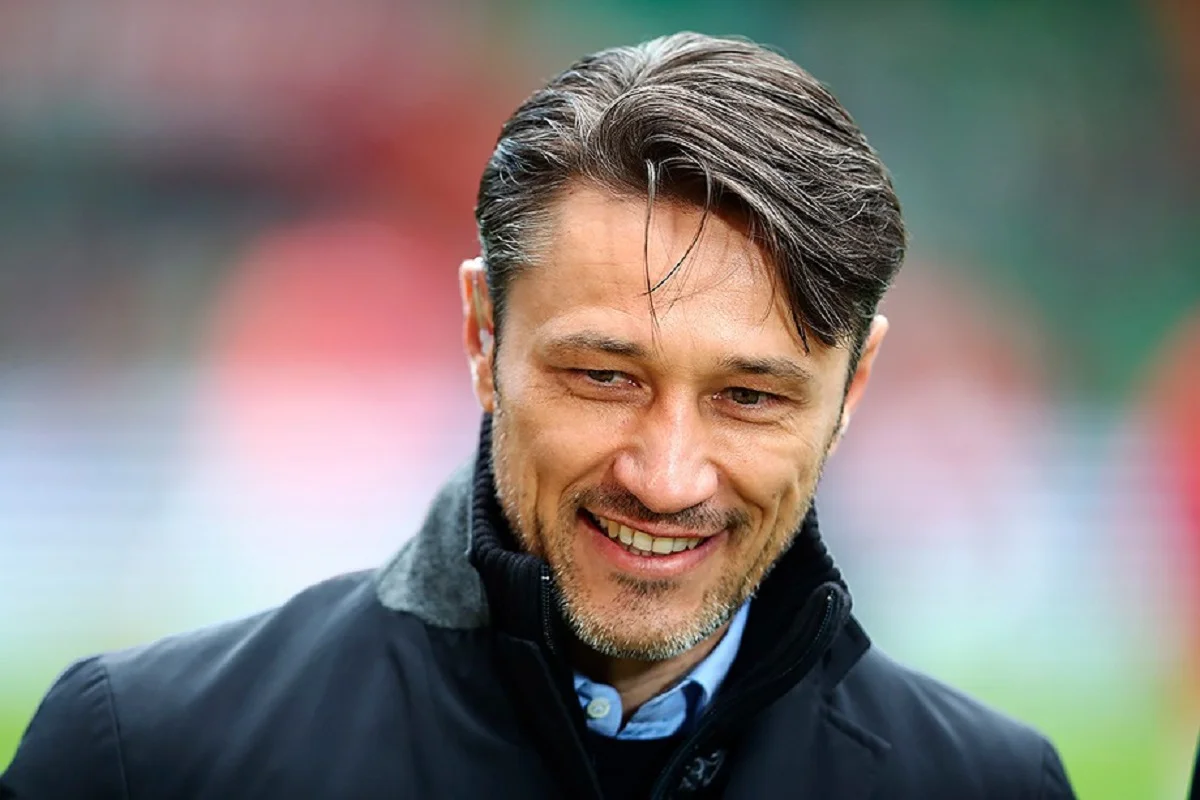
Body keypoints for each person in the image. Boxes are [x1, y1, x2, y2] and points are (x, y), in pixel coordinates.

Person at [1, 33, 1077, 799]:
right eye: (605, 376)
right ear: (483, 334)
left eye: (749, 397)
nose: (667, 475)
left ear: (855, 389)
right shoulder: (143, 757)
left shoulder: (989, 783)